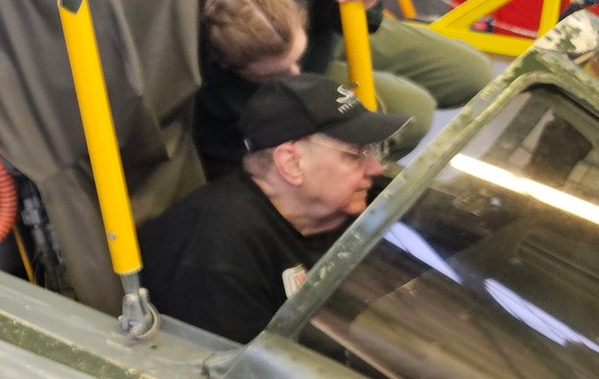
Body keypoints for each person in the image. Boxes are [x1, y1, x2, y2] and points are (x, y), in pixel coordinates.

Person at [188, 0, 492, 178]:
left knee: (473, 72)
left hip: (329, 33)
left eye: (295, 58)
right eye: (279, 71)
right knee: (414, 114)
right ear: (229, 65)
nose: (295, 73)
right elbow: (230, 149)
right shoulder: (196, 65)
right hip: (268, 84)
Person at [139, 73, 407, 344]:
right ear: (291, 164)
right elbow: (237, 367)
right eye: (357, 154)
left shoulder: (359, 200)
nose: (376, 168)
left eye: (374, 151)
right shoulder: (219, 256)